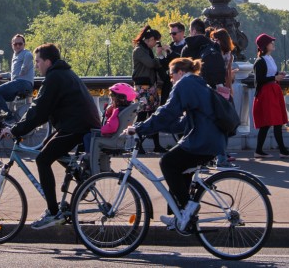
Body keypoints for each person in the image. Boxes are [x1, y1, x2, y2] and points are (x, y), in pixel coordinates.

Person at [0, 43, 101, 229]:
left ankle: (53, 213)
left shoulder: (54, 77)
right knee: (48, 145)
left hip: (76, 126)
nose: (36, 66)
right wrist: (22, 126)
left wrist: (14, 130)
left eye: (38, 61)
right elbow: (42, 112)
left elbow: (38, 110)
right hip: (81, 124)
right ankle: (81, 177)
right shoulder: (63, 73)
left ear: (48, 61)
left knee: (43, 160)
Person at [127, 58, 226, 231]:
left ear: (180, 72)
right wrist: (151, 128)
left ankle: (188, 208)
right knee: (180, 168)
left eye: (171, 74)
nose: (170, 79)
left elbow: (167, 112)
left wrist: (140, 128)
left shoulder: (184, 84)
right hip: (211, 139)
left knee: (167, 162)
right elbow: (180, 122)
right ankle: (180, 216)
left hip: (202, 140)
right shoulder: (198, 84)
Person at [252, 34, 289, 158]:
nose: (273, 43)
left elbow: (271, 74)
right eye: (271, 42)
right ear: (265, 45)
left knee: (273, 122)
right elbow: (259, 80)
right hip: (266, 93)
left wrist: (278, 74)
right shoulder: (259, 61)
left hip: (273, 90)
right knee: (275, 121)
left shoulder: (269, 58)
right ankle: (282, 150)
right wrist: (274, 77)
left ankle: (259, 151)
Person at [132, 25, 167, 154]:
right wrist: (159, 57)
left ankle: (156, 145)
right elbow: (151, 64)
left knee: (153, 115)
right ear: (150, 39)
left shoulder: (145, 50)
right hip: (143, 87)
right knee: (141, 116)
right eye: (155, 41)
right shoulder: (139, 50)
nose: (155, 44)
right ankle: (138, 145)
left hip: (149, 86)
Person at [90, 83, 140, 173]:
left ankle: (93, 168)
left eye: (113, 96)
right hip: (119, 140)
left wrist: (100, 130)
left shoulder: (117, 111)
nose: (111, 98)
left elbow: (111, 127)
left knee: (92, 138)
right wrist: (109, 111)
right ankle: (105, 168)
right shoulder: (125, 110)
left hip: (112, 140)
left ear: (121, 98)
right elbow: (113, 121)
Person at [209, 28, 238, 167]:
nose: (213, 41)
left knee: (220, 123)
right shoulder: (228, 54)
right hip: (223, 89)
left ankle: (220, 154)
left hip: (218, 89)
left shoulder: (216, 53)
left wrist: (229, 88)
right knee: (224, 122)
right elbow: (227, 74)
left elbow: (226, 73)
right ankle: (221, 154)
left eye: (215, 38)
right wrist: (230, 89)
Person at [0, 34, 35, 123]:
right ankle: (7, 119)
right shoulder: (15, 55)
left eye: (20, 44)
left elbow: (24, 69)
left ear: (24, 45)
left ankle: (8, 118)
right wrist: (1, 75)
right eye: (15, 44)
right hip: (17, 83)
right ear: (12, 45)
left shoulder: (27, 53)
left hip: (22, 83)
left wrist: (23, 70)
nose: (18, 46)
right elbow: (14, 74)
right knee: (0, 98)